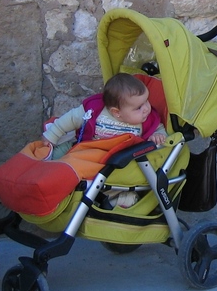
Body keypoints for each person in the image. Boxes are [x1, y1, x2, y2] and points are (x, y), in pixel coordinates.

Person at [42, 73, 168, 208]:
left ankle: (107, 200)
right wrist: (51, 136)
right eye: (138, 108)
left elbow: (158, 127)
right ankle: (49, 182)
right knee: (57, 157)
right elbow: (69, 120)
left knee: (120, 181)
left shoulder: (147, 120)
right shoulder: (95, 110)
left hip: (115, 163)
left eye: (146, 101)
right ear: (117, 112)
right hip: (86, 151)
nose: (146, 109)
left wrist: (158, 135)